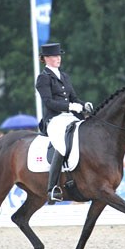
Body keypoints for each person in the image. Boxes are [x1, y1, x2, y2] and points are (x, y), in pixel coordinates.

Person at [36, 43, 93, 204]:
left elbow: (73, 98)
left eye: (59, 55)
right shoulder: (43, 78)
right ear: (46, 58)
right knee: (61, 146)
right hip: (54, 120)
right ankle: (52, 188)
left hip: (69, 117)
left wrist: (83, 105)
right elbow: (48, 102)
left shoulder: (64, 76)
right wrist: (69, 106)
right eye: (54, 56)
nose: (58, 58)